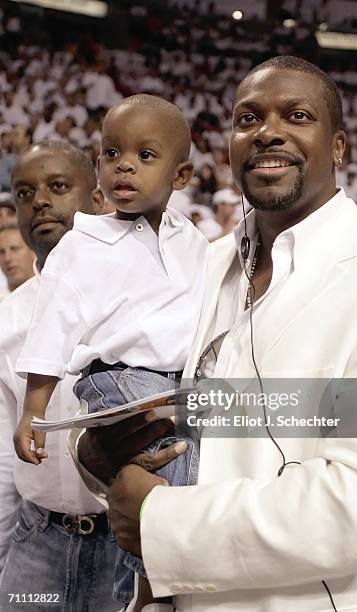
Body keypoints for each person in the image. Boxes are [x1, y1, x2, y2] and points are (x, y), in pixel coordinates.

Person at [104, 56, 357, 612]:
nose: (267, 131)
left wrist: (161, 522)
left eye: (297, 115)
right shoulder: (205, 266)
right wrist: (104, 451)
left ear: (340, 146)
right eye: (247, 118)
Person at [14, 95, 207, 608]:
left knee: (191, 466)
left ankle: (149, 582)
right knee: (171, 472)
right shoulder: (85, 241)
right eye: (111, 153)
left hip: (173, 380)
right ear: (99, 166)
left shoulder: (192, 240)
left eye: (146, 156)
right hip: (119, 377)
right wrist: (34, 408)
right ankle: (146, 591)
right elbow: (53, 326)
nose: (124, 164)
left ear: (181, 174)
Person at [0, 140, 120, 611]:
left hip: (125, 541)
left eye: (57, 186)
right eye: (25, 193)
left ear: (96, 199)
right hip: (37, 542)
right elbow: (6, 457)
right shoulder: (9, 319)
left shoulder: (146, 302)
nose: (40, 202)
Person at [0, 223, 35, 301]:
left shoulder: (52, 294)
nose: (7, 258)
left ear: (33, 251)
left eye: (14, 249)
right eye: (1, 252)